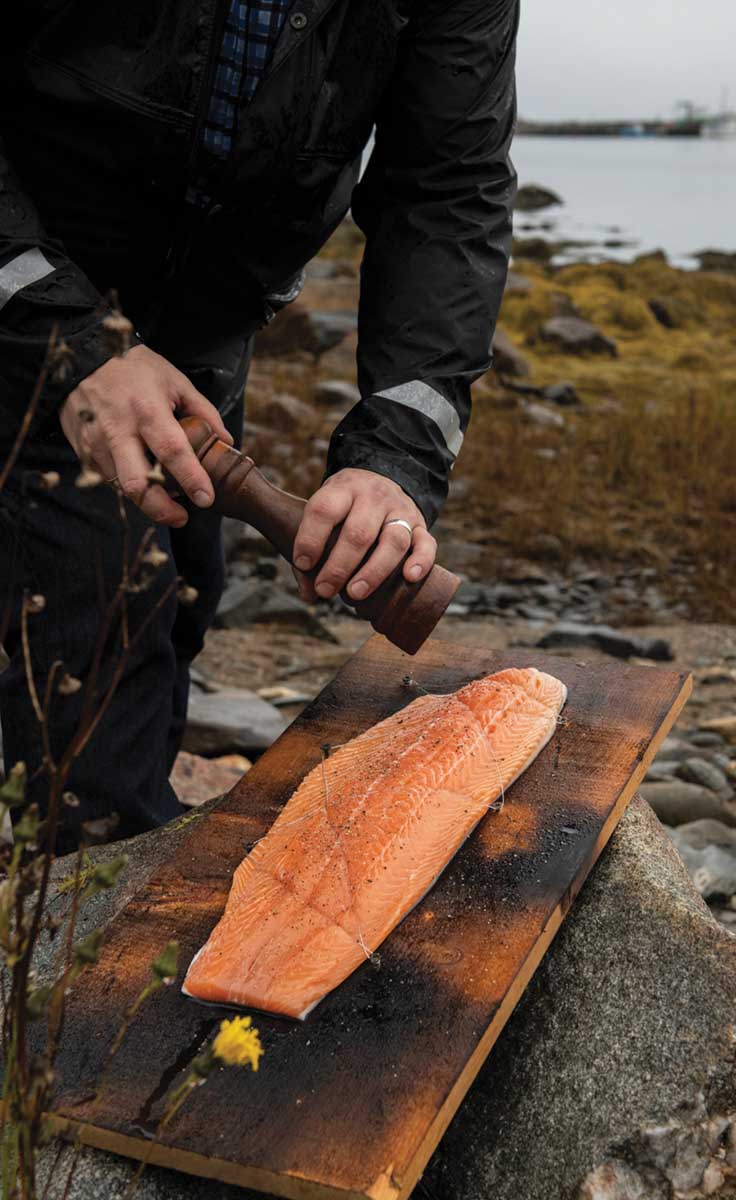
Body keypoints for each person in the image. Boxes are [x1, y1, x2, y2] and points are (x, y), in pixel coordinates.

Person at [0, 1, 518, 848]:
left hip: (199, 337)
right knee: (94, 652)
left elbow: (449, 190)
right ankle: (79, 927)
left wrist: (395, 451)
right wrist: (72, 343)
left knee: (175, 612)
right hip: (19, 291)